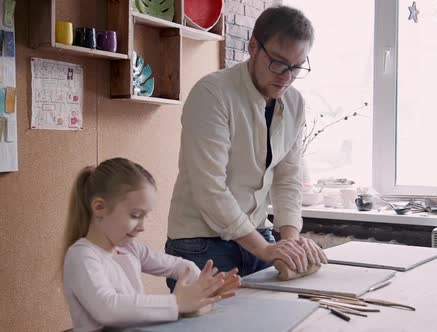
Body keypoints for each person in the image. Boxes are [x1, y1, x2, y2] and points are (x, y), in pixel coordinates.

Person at [165, 5, 327, 290]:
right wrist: (265, 249)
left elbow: (288, 178)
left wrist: (289, 244)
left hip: (257, 235)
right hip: (201, 243)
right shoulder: (212, 93)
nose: (286, 77)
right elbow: (209, 188)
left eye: (297, 66)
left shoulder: (295, 103)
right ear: (253, 47)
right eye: (278, 62)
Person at [62, 158, 240, 331]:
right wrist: (176, 303)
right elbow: (107, 309)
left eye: (145, 216)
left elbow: (179, 266)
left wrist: (202, 289)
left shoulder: (129, 249)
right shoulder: (82, 256)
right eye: (135, 215)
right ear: (99, 207)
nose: (142, 227)